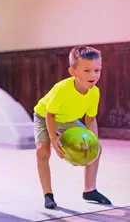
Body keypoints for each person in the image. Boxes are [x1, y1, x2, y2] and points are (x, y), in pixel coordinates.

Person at [33, 46, 111, 209]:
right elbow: (50, 114)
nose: (93, 75)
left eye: (97, 70)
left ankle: (90, 189)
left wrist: (94, 142)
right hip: (44, 116)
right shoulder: (62, 89)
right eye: (87, 71)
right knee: (42, 152)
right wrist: (54, 140)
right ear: (73, 71)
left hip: (68, 119)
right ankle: (48, 194)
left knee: (96, 149)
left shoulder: (94, 92)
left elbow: (90, 119)